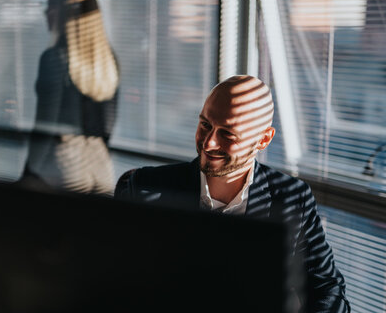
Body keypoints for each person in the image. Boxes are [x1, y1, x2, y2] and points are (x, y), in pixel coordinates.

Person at [114, 75, 350, 313]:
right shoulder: (143, 188)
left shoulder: (291, 198)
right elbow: (111, 281)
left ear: (263, 139)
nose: (208, 143)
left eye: (227, 134)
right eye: (205, 124)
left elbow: (327, 290)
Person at [21, 0, 119, 196]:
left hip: (64, 168)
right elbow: (108, 125)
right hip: (101, 167)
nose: (45, 12)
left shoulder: (54, 58)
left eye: (50, 5)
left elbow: (45, 126)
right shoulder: (107, 58)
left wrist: (28, 173)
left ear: (65, 11)